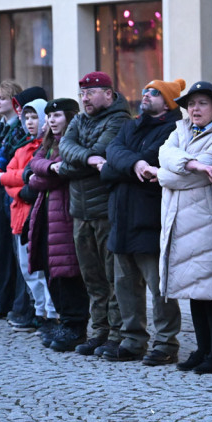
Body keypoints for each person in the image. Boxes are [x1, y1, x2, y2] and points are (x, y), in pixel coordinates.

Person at [158, 81, 212, 373]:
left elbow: (182, 177)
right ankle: (203, 349)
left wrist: (169, 173)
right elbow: (163, 155)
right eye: (191, 104)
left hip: (210, 220)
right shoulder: (181, 129)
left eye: (202, 103)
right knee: (194, 286)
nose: (194, 109)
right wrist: (189, 164)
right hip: (182, 221)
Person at [102, 79, 184, 363]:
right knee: (124, 284)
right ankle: (133, 339)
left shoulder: (173, 130)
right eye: (146, 89)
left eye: (155, 92)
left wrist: (122, 165)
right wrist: (135, 165)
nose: (145, 94)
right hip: (121, 217)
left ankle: (166, 343)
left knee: (159, 285)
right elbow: (110, 156)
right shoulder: (130, 126)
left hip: (150, 218)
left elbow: (153, 160)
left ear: (169, 102)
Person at [58, 72, 131, 357]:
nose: (85, 99)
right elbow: (65, 147)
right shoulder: (79, 119)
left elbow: (105, 151)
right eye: (82, 93)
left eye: (91, 92)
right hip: (80, 211)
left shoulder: (119, 119)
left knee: (113, 277)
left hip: (105, 211)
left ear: (109, 94)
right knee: (92, 278)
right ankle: (99, 330)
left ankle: (116, 333)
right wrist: (87, 159)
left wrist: (69, 165)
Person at [27, 98, 91, 352]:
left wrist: (45, 174)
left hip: (65, 215)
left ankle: (75, 325)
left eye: (57, 116)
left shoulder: (74, 142)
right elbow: (34, 166)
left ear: (70, 118)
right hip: (46, 214)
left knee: (68, 271)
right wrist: (48, 169)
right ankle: (64, 321)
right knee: (51, 269)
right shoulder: (49, 143)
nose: (51, 121)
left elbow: (56, 175)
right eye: (49, 116)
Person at [0, 81, 47, 323]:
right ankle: (17, 305)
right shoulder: (15, 134)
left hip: (29, 203)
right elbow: (3, 159)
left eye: (30, 114)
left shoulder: (38, 142)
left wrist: (10, 180)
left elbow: (27, 175)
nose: (26, 118)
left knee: (33, 266)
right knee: (12, 256)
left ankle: (35, 311)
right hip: (13, 201)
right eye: (23, 112)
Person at [0, 98, 55, 335]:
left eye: (34, 117)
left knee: (42, 269)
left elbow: (25, 178)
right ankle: (39, 311)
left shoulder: (46, 148)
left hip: (36, 215)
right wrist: (17, 186)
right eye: (27, 118)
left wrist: (13, 182)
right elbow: (10, 176)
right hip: (18, 215)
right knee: (27, 269)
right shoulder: (22, 147)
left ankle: (51, 314)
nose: (30, 122)